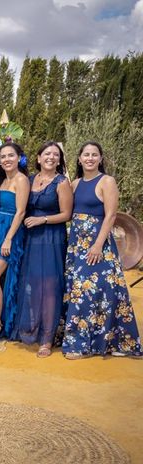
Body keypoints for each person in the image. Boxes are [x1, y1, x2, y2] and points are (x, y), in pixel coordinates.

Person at [62, 141, 142, 359]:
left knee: (93, 292)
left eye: (94, 154)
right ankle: (102, 341)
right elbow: (69, 213)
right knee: (84, 290)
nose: (89, 158)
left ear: (100, 158)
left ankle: (82, 344)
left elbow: (111, 216)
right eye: (86, 154)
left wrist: (97, 245)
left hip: (97, 245)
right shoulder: (76, 183)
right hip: (77, 244)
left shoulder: (107, 181)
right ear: (79, 159)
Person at [17, 142, 72, 357]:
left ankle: (47, 339)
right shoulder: (29, 180)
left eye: (55, 155)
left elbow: (67, 214)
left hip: (51, 238)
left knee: (50, 286)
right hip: (30, 239)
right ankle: (33, 329)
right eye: (47, 154)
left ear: (59, 160)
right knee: (33, 285)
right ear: (38, 158)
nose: (51, 157)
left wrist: (43, 220)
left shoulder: (62, 182)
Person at [0, 142, 29, 342]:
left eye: (11, 155)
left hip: (10, 232)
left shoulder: (21, 180)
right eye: (3, 157)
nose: (6, 160)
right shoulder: (2, 179)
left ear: (19, 157)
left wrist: (8, 239)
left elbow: (21, 212)